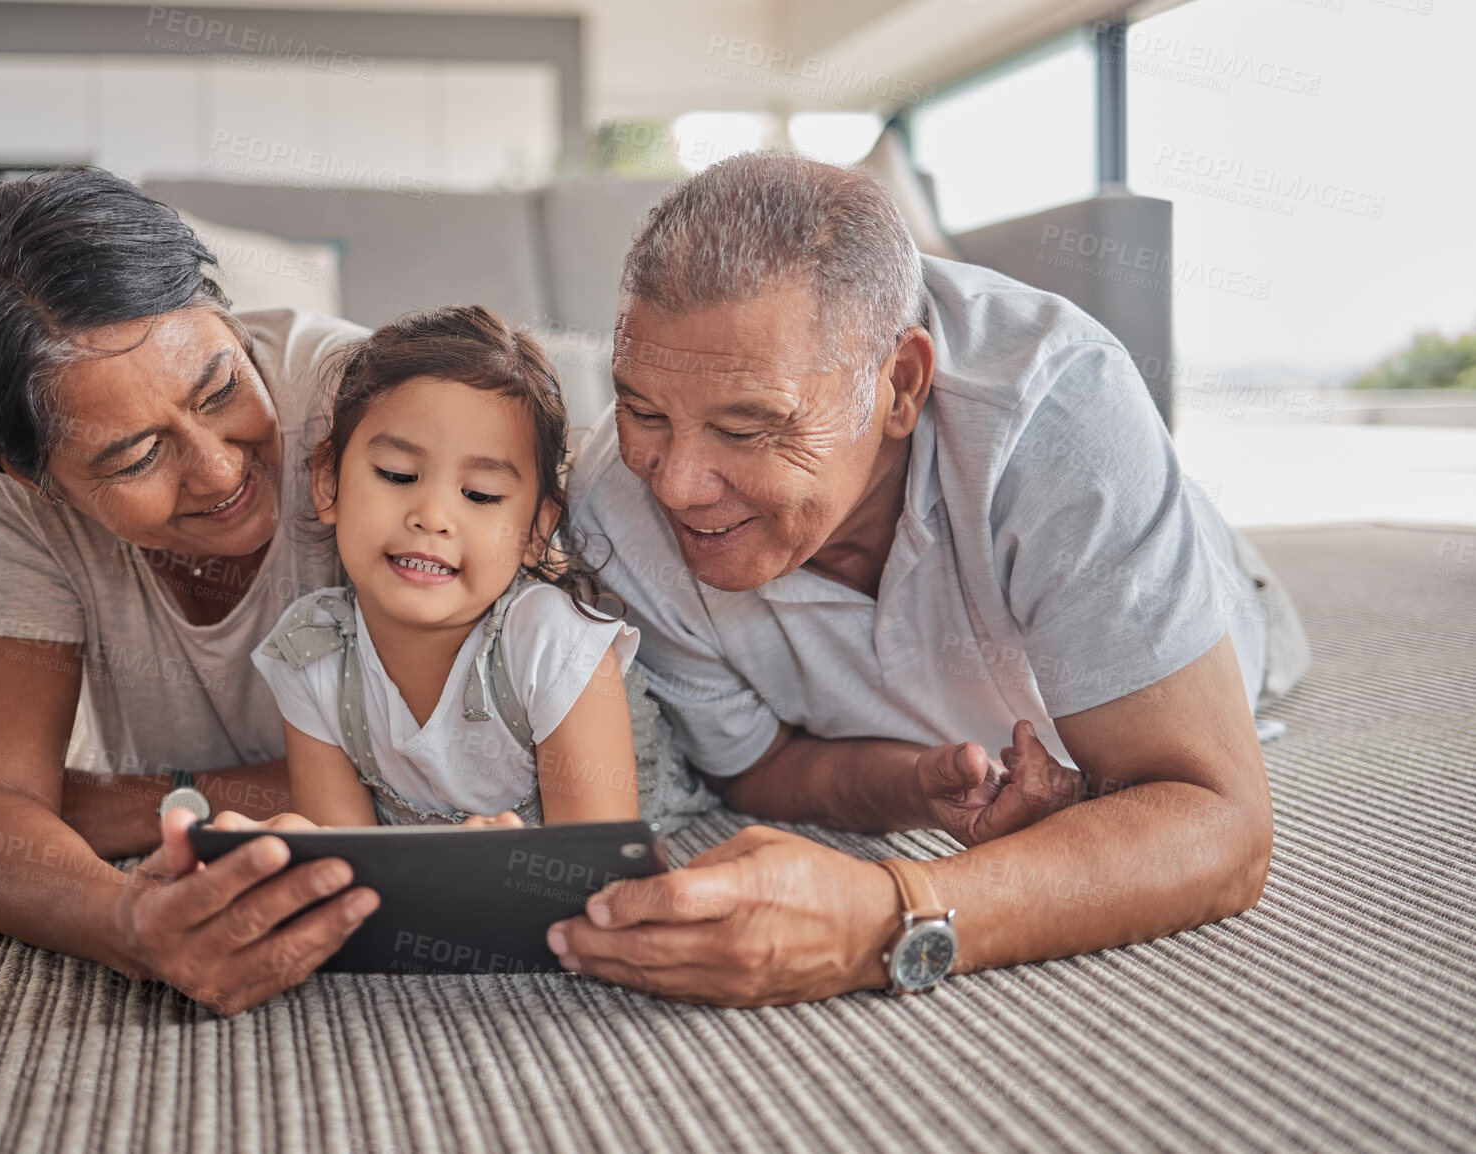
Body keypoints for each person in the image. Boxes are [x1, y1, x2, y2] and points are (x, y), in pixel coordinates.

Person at [546, 152, 1309, 1005]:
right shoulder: (613, 500)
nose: (676, 485)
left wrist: (890, 916)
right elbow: (753, 764)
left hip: (1233, 600)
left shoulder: (1059, 416)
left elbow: (1219, 824)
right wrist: (912, 784)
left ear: (900, 386)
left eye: (747, 428)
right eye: (643, 410)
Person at [0, 166, 382, 1015]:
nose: (221, 469)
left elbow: (456, 774)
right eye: (135, 457)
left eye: (222, 389)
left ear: (225, 316)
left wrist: (131, 805)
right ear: (29, 474)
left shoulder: (365, 406)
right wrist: (125, 920)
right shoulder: (10, 500)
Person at [249, 306, 646, 827]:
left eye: (480, 494)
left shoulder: (552, 645)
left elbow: (594, 865)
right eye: (396, 475)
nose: (432, 518)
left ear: (534, 530)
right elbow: (343, 865)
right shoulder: (312, 649)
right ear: (328, 483)